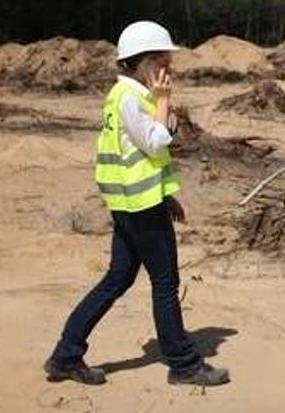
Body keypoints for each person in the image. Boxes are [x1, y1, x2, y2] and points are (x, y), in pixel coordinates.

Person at [44, 20, 229, 387]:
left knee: (117, 279)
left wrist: (167, 195)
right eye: (164, 63)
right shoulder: (130, 98)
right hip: (141, 207)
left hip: (135, 202)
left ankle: (66, 355)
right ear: (144, 63)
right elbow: (155, 143)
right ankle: (184, 364)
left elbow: (139, 155)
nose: (169, 71)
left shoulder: (125, 95)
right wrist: (163, 103)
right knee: (164, 283)